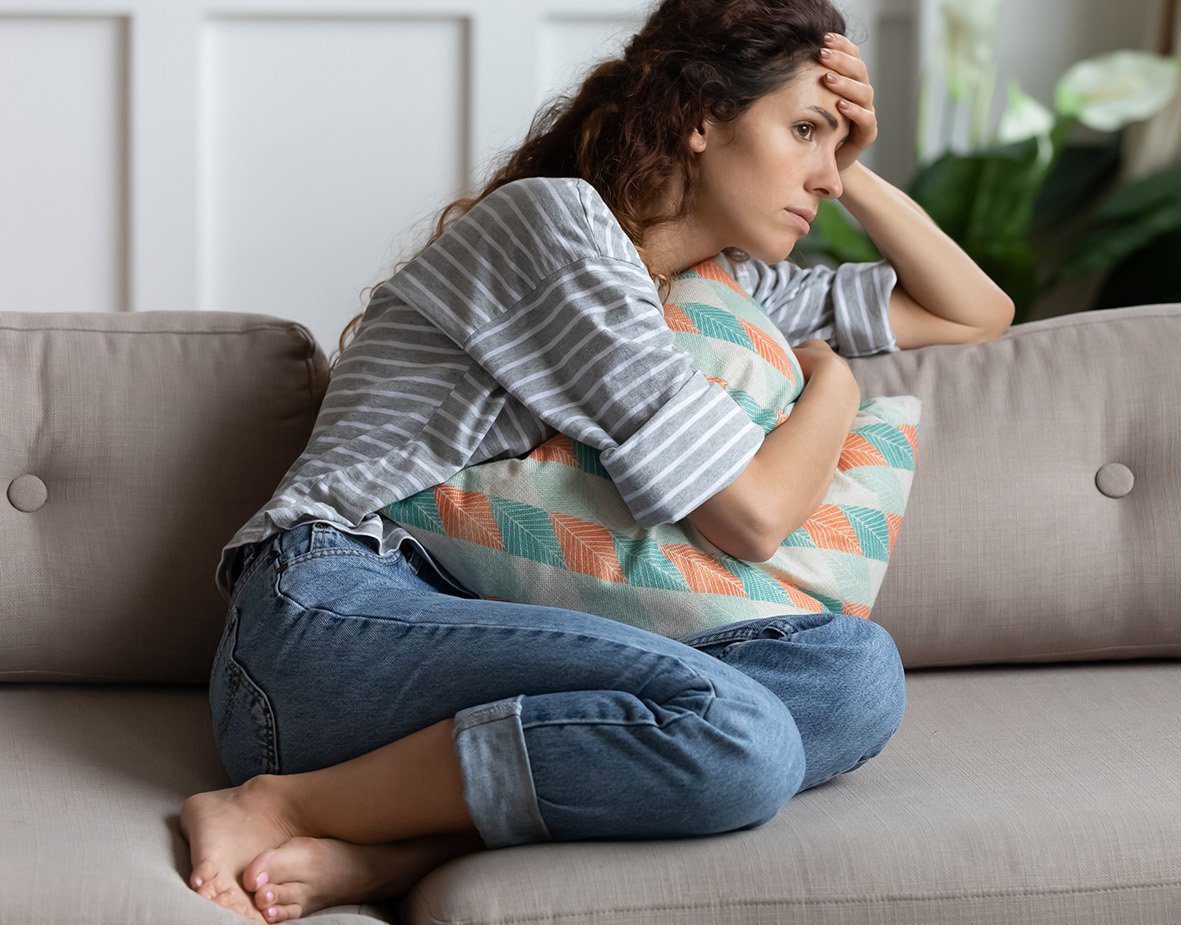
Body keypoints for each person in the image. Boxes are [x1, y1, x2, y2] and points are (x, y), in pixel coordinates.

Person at [179, 0, 1015, 921]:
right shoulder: (560, 226)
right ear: (701, 118)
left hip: (485, 624)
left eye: (835, 144)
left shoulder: (721, 287)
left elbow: (977, 312)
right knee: (738, 737)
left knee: (850, 675)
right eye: (805, 130)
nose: (821, 174)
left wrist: (852, 168)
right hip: (334, 620)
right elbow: (752, 515)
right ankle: (280, 802)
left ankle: (406, 847)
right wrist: (836, 390)